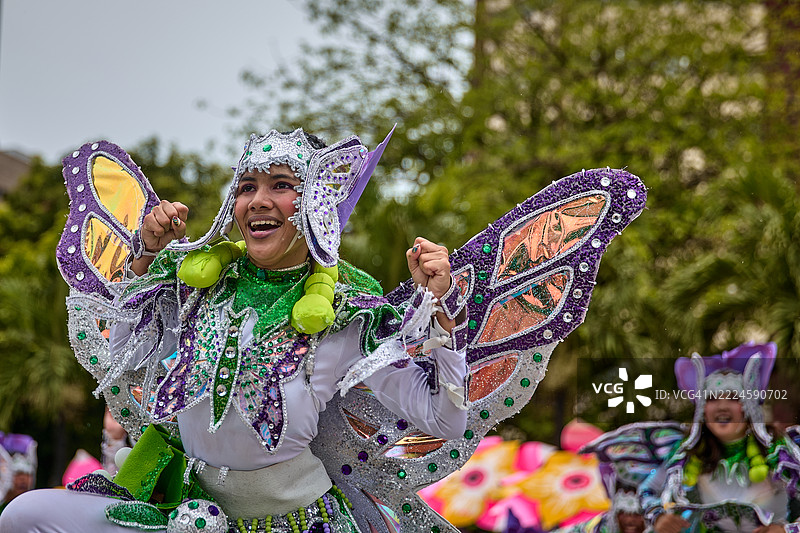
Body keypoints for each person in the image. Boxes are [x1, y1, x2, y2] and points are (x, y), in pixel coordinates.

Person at [0, 129, 468, 532]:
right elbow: (124, 362)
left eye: (281, 185)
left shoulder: (345, 311)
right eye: (246, 187)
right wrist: (142, 259)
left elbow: (445, 420)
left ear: (317, 204)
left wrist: (444, 312)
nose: (259, 200)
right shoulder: (197, 283)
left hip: (296, 522)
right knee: (24, 515)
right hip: (184, 511)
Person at [639, 342, 800, 533]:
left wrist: (786, 530)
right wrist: (658, 516)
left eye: (733, 397)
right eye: (712, 398)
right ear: (702, 410)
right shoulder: (687, 453)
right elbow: (647, 490)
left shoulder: (779, 450)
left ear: (749, 406)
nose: (722, 407)